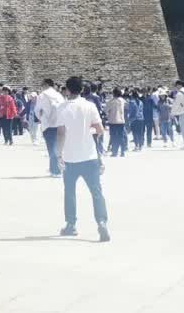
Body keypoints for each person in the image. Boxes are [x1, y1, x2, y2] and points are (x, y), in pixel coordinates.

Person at [56, 76, 109, 242]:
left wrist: (59, 154)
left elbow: (61, 133)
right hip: (90, 156)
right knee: (96, 192)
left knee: (70, 192)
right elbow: (100, 129)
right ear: (82, 90)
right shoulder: (90, 105)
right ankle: (101, 222)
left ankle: (71, 224)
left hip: (70, 157)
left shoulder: (62, 107)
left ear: (67, 90)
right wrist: (88, 132)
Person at [36, 78, 64, 175]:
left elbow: (37, 110)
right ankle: (55, 168)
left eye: (42, 85)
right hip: (60, 124)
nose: (41, 87)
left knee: (51, 148)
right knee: (58, 147)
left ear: (46, 84)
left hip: (48, 125)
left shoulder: (43, 95)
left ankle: (55, 170)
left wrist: (42, 118)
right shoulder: (59, 95)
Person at [106, 88, 126, 157]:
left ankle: (115, 152)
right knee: (121, 137)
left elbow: (106, 110)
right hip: (121, 121)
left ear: (113, 93)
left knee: (113, 137)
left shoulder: (111, 101)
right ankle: (122, 152)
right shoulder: (122, 100)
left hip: (113, 121)